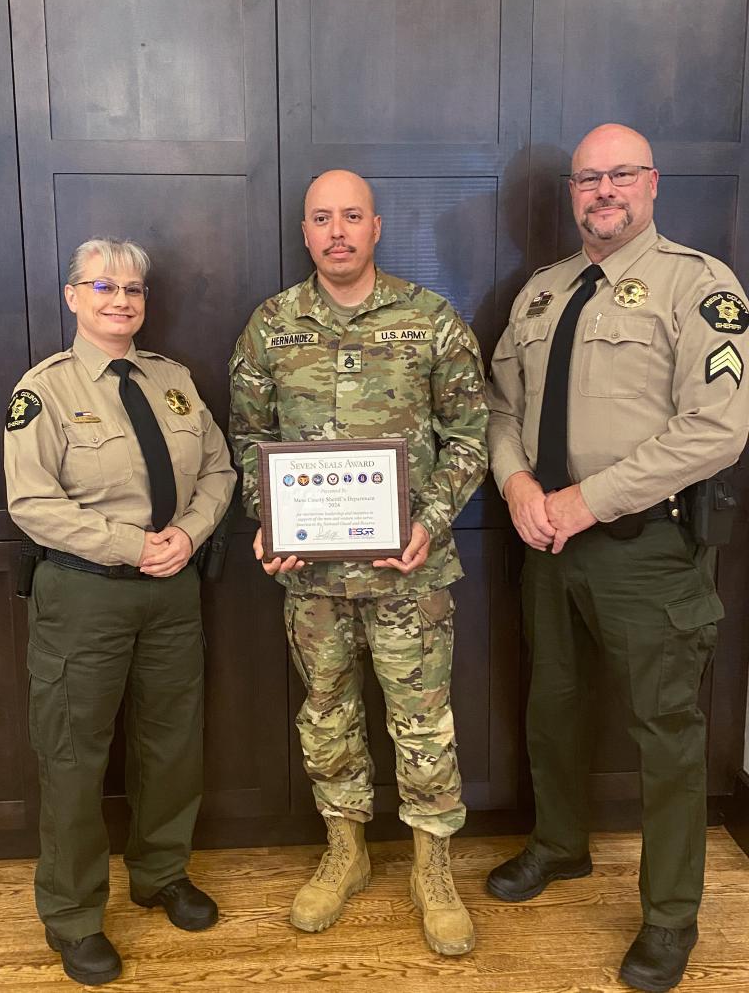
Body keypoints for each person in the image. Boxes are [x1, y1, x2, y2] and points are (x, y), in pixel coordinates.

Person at [486, 124, 749, 992]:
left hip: (644, 550)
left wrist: (586, 499)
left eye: (620, 175)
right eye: (587, 178)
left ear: (652, 182)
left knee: (667, 734)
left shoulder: (698, 284)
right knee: (550, 707)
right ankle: (559, 844)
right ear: (572, 192)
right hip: (547, 545)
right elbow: (499, 404)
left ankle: (670, 914)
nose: (603, 190)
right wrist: (520, 484)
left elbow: (717, 428)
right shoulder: (542, 292)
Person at [228, 170, 488, 956]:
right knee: (328, 716)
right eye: (320, 218)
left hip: (410, 574)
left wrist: (429, 520)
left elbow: (472, 437)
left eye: (351, 216)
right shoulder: (270, 327)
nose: (336, 231)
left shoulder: (430, 321)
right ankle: (346, 849)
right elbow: (246, 441)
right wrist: (265, 517)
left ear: (377, 227)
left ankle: (432, 865)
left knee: (421, 723)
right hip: (310, 582)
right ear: (304, 233)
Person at [4, 238, 236, 987]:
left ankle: (161, 871)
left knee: (174, 742)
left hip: (173, 587)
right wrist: (131, 544)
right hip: (84, 593)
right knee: (73, 756)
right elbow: (32, 504)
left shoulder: (173, 381)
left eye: (133, 289)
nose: (121, 300)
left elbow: (220, 469)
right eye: (103, 286)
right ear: (72, 296)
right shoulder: (42, 390)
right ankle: (72, 914)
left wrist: (189, 535)